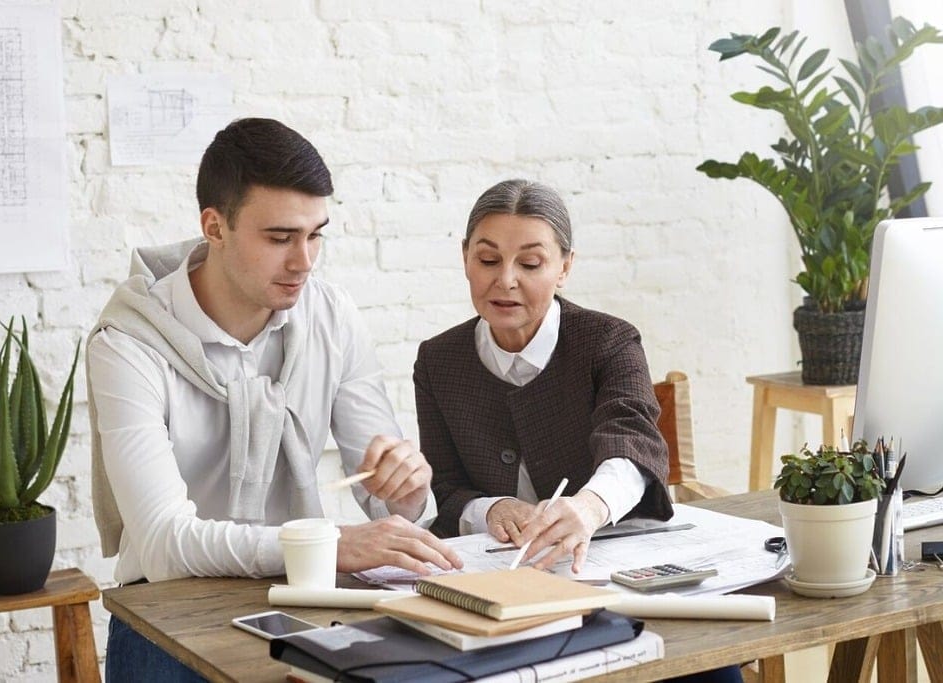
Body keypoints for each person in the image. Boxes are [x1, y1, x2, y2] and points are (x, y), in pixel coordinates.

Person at [87, 117, 461, 682]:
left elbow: (388, 510)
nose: (304, 261)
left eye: (316, 235)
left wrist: (405, 488)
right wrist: (328, 543)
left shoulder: (330, 314)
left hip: (302, 605)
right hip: (168, 615)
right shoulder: (129, 344)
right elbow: (165, 544)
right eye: (280, 238)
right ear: (214, 226)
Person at [413, 179, 741, 683]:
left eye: (530, 263)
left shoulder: (609, 342)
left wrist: (587, 508)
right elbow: (446, 490)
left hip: (611, 576)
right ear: (464, 259)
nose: (506, 281)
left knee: (703, 667)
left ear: (565, 266)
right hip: (502, 593)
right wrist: (492, 509)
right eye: (487, 260)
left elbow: (632, 443)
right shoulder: (438, 360)